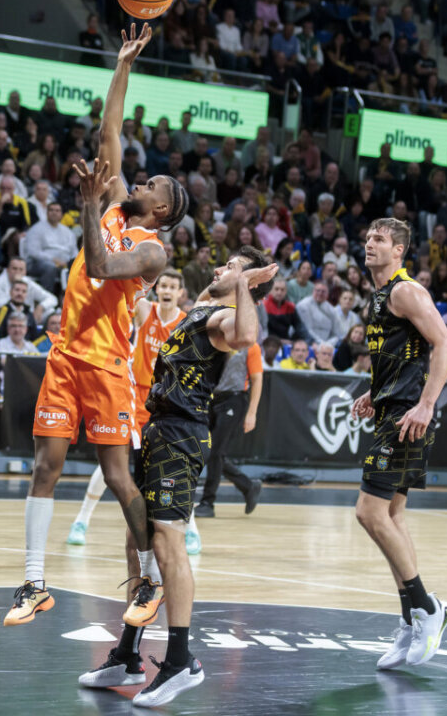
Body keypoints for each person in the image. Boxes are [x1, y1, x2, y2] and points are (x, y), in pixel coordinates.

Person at [6, 24, 188, 630]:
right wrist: (122, 65)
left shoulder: (151, 249)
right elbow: (111, 126)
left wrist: (88, 207)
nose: (140, 179)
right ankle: (32, 582)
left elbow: (106, 266)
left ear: (161, 210)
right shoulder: (111, 200)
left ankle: (151, 580)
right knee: (45, 467)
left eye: (151, 184)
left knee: (115, 477)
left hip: (108, 366)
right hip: (65, 356)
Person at [79, 246, 277, 707]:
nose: (223, 267)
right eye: (226, 262)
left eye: (234, 267)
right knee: (137, 541)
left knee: (167, 541)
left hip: (182, 436)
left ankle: (179, 661)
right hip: (159, 428)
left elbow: (247, 336)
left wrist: (245, 286)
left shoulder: (221, 319)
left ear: (245, 284)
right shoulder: (198, 309)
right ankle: (127, 654)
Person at [350, 217, 447, 671]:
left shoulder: (404, 290)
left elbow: (446, 347)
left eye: (380, 240)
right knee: (391, 514)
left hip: (409, 416)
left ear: (399, 251)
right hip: (395, 409)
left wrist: (426, 404)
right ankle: (411, 620)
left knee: (368, 512)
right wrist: (377, 391)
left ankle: (426, 607)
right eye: (368, 238)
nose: (370, 244)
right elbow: (405, 353)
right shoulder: (379, 296)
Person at [67, 271, 186, 548]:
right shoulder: (147, 311)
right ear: (158, 289)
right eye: (163, 285)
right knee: (113, 461)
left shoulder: (184, 322)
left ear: (181, 292)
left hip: (167, 402)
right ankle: (81, 520)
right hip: (136, 398)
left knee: (171, 467)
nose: (167, 290)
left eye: (173, 287)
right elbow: (129, 285)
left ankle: (188, 528)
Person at [196, 341, 264, 519]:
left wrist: (252, 412)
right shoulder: (215, 341)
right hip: (213, 399)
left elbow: (257, 379)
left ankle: (207, 503)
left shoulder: (250, 346)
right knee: (208, 451)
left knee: (216, 452)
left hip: (235, 399)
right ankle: (248, 486)